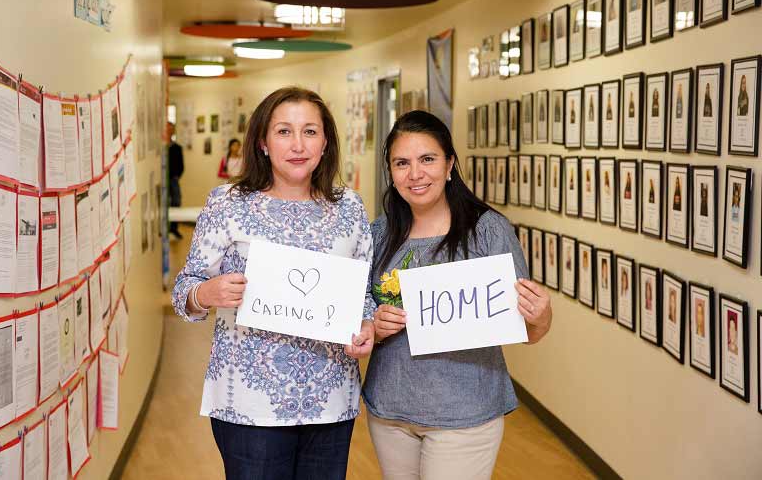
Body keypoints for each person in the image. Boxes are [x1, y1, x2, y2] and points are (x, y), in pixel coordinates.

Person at [171, 87, 375, 480]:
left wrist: (365, 326)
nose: (298, 145)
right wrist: (206, 293)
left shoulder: (350, 207)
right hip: (249, 406)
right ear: (263, 142)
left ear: (325, 141)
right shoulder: (227, 203)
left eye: (310, 132)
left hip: (331, 398)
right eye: (284, 131)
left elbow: (362, 294)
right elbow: (185, 290)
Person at [363, 111, 552, 480]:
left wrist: (541, 316)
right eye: (402, 163)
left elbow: (526, 330)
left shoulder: (487, 230)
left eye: (427, 159)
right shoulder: (379, 232)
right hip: (389, 410)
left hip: (465, 413)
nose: (415, 174)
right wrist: (374, 323)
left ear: (450, 164)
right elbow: (360, 315)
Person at [167, 121, 184, 239]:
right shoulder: (160, 148)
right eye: (168, 128)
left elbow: (181, 166)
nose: (170, 131)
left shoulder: (177, 148)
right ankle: (164, 228)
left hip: (173, 180)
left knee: (176, 202)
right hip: (162, 181)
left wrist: (176, 176)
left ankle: (174, 228)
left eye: (171, 129)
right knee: (162, 203)